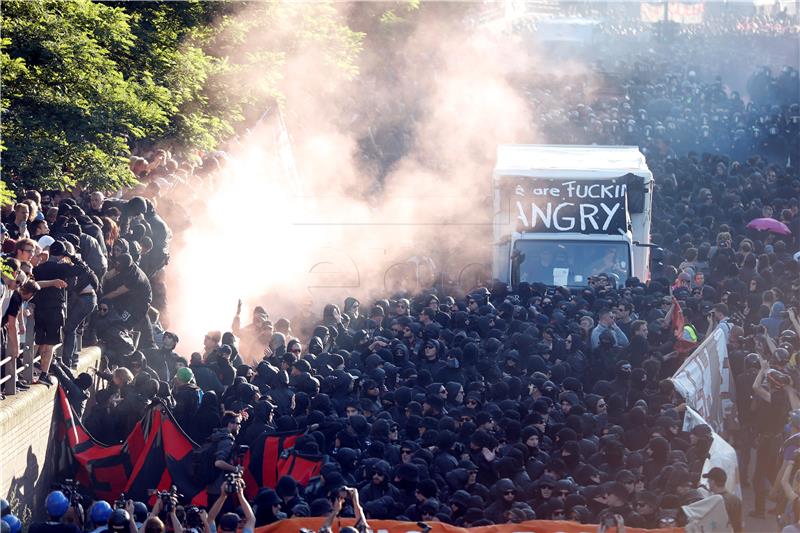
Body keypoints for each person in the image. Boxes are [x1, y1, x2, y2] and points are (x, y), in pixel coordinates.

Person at [702, 467, 742, 533]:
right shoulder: (736, 499)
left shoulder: (715, 502)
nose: (708, 482)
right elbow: (738, 524)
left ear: (713, 482)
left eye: (709, 480)